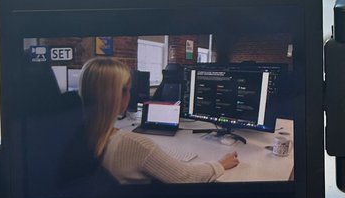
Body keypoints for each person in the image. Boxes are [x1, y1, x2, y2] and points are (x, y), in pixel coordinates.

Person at [78, 56, 239, 184]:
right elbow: (186, 176)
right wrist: (220, 164)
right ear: (120, 96)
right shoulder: (135, 144)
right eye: (129, 90)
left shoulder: (74, 135)